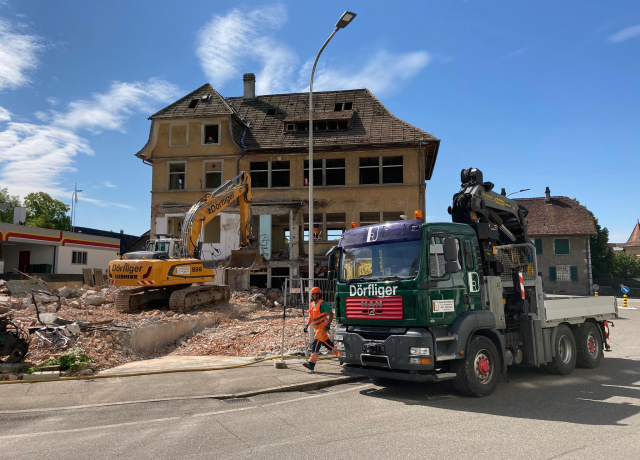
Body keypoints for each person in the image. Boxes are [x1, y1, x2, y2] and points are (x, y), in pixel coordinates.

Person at [303, 286, 338, 371]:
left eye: (314, 294)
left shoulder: (322, 304)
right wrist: (307, 325)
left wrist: (328, 325)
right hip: (317, 328)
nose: (312, 296)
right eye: (312, 295)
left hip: (322, 327)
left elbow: (331, 314)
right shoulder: (312, 304)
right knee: (327, 343)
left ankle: (312, 362)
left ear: (318, 295)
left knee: (316, 341)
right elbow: (311, 317)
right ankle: (340, 355)